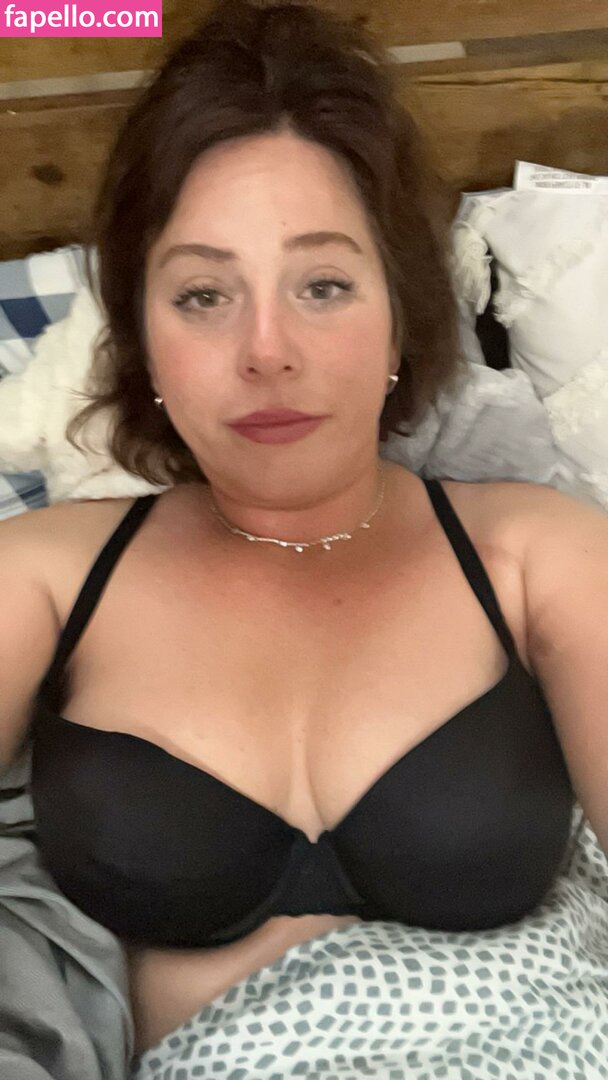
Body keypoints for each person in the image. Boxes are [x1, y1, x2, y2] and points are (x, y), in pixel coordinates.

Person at [1, 1, 607, 1077]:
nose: (266, 350)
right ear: (142, 340)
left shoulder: (536, 555)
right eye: (202, 294)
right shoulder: (43, 576)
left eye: (323, 284)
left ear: (399, 314)